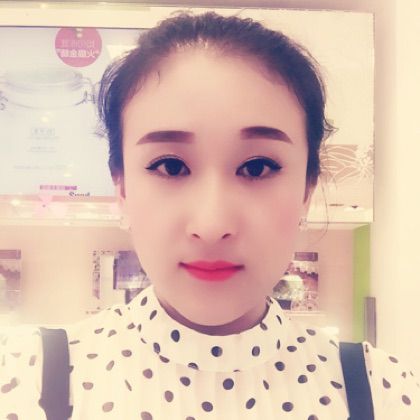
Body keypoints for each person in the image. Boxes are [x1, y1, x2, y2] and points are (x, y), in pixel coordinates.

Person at [1, 11, 419, 419]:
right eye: (170, 166)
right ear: (122, 188)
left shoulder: (382, 392)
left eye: (257, 167)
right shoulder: (25, 380)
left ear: (307, 189)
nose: (212, 224)